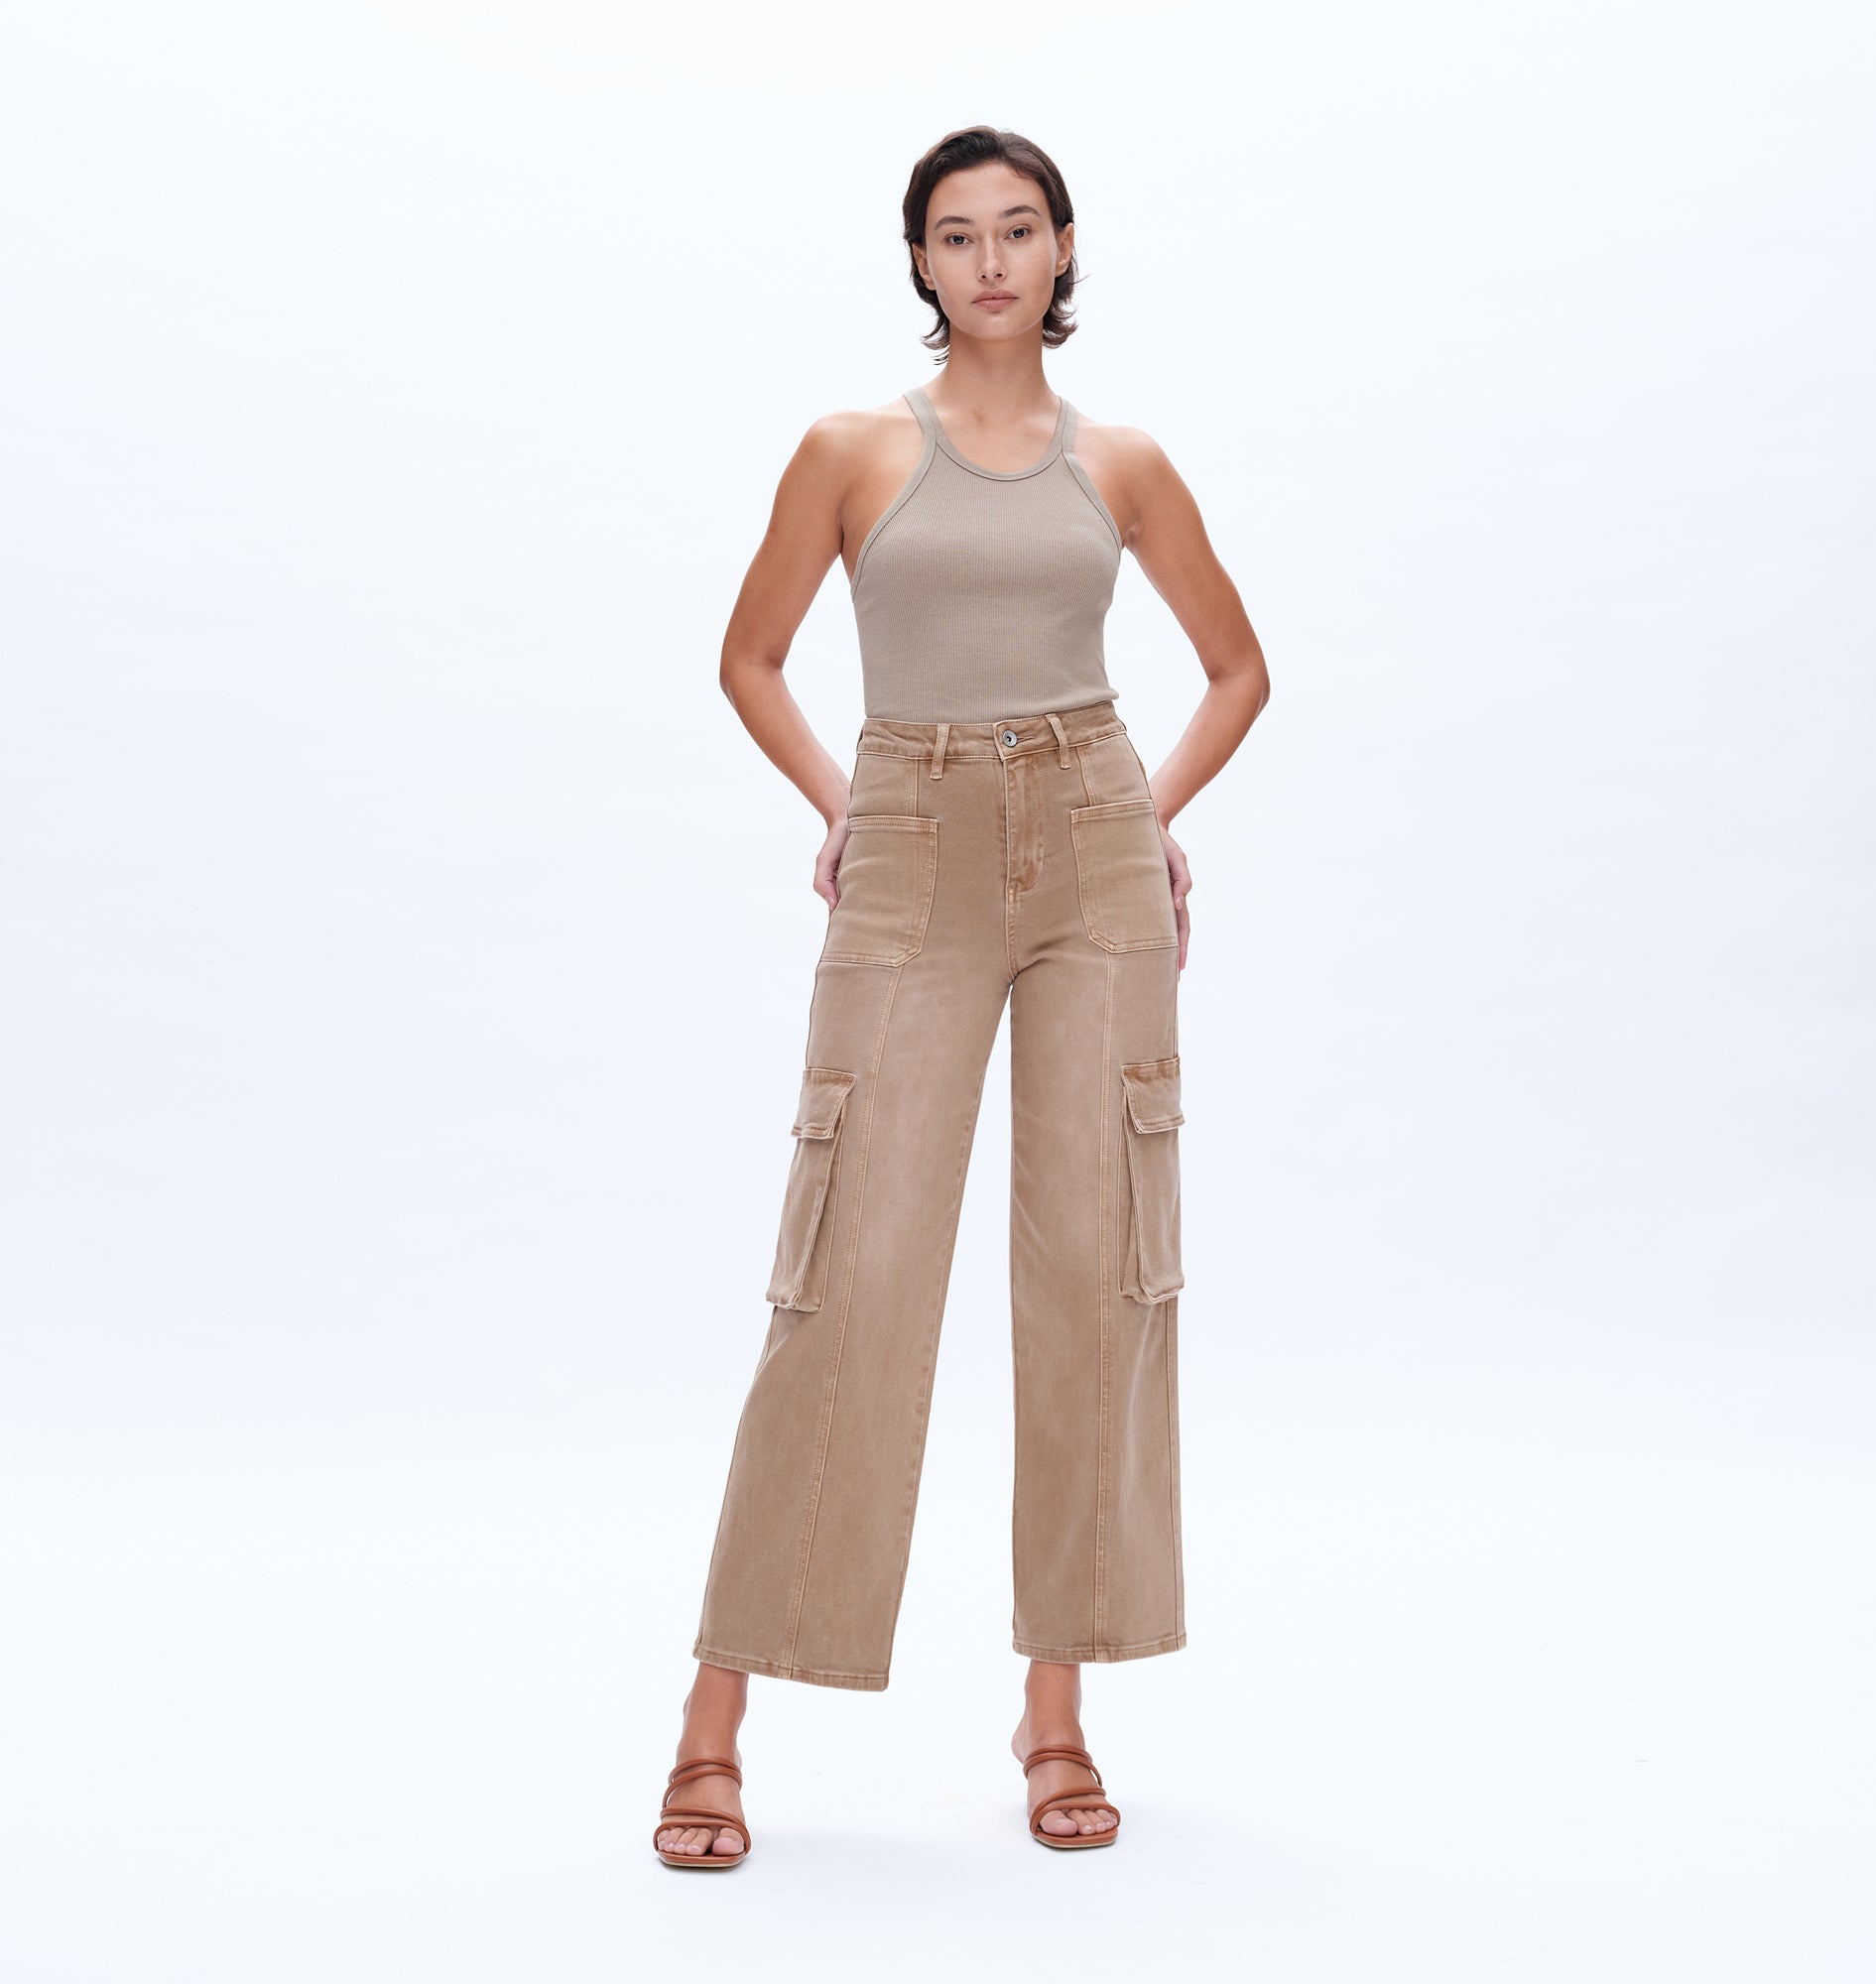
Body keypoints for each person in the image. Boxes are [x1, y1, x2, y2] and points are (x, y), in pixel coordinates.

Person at [653, 123, 1269, 1867]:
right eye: (955, 234)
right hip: (912, 837)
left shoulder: (1123, 464)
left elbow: (1237, 670)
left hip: (1091, 848)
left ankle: (1055, 1712)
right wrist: (844, 806)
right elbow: (750, 657)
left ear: (1064, 249)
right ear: (919, 261)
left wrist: (1143, 820)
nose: (989, 261)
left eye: (1017, 229)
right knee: (847, 1274)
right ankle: (713, 1721)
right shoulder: (854, 451)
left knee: (1095, 1277)